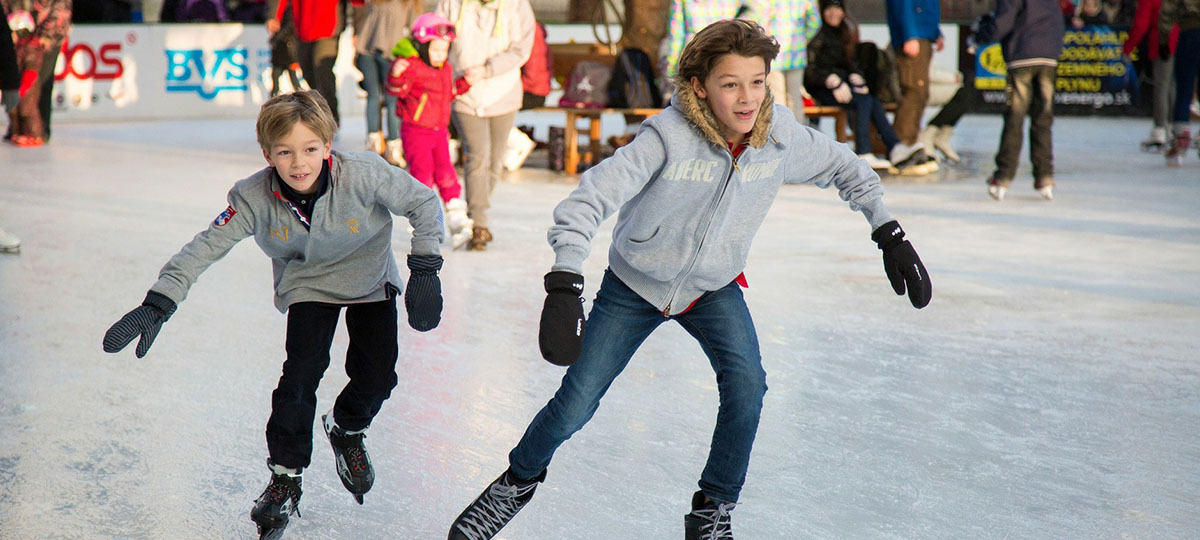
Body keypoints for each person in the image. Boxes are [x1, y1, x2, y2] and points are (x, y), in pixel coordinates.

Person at [446, 19, 932, 540]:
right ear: (700, 86)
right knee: (576, 402)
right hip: (635, 285)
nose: (747, 99)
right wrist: (565, 281)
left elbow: (848, 169)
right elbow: (589, 198)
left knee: (748, 387)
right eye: (730, 84)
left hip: (712, 287)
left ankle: (712, 508)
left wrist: (888, 231)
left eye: (757, 81)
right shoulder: (667, 137)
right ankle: (516, 482)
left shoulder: (780, 137)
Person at [100, 90, 446, 538]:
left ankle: (346, 428)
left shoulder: (364, 173)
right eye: (285, 152)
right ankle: (285, 477)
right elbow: (206, 246)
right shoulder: (252, 197)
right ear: (267, 154)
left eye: (310, 149)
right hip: (307, 286)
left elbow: (423, 202)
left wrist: (425, 264)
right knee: (299, 378)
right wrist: (160, 301)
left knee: (377, 377)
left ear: (327, 144)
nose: (299, 163)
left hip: (370, 279)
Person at [436, 0, 534, 251]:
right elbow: (437, 35)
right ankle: (479, 223)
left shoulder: (517, 6)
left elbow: (522, 48)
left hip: (504, 92)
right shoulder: (451, 3)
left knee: (494, 161)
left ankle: (475, 210)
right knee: (477, 155)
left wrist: (488, 69)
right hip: (464, 92)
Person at [806, 0, 932, 174]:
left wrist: (854, 76)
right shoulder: (816, 34)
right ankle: (864, 150)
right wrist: (830, 80)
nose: (833, 13)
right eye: (829, 9)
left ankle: (895, 147)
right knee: (863, 101)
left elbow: (846, 63)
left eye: (837, 8)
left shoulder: (844, 32)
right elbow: (811, 70)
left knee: (871, 99)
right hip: (821, 88)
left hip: (842, 86)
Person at [386, 12, 474, 248]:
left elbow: (448, 94)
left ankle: (457, 217)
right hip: (416, 131)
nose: (440, 56)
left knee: (446, 173)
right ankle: (425, 222)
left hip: (439, 132)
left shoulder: (445, 69)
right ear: (422, 47)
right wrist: (396, 74)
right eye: (435, 50)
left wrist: (465, 83)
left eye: (444, 51)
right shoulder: (412, 67)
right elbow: (396, 90)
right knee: (422, 175)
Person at [975, 0, 1066, 200]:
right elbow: (1057, 19)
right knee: (1043, 117)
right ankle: (1044, 176)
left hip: (1022, 54)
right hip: (1048, 56)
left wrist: (980, 37)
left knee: (1015, 118)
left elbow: (1003, 21)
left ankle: (1004, 176)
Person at [355, 0, 419, 166]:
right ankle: (380, 145)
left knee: (388, 100)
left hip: (382, 52)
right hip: (374, 52)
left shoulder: (407, 3)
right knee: (380, 98)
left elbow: (414, 29)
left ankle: (389, 145)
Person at [2, 0, 70, 147]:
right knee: (16, 79)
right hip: (19, 35)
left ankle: (39, 131)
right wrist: (10, 31)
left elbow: (60, 10)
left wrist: (44, 36)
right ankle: (17, 129)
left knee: (39, 82)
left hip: (48, 38)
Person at [744, 0, 822, 123]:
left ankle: (780, 138)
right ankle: (797, 137)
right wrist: (803, 39)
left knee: (777, 99)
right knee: (795, 100)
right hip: (796, 52)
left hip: (773, 52)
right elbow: (815, 22)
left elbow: (755, 19)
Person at [268, 0, 345, 125]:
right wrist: (273, 15)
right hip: (303, 27)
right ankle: (320, 111)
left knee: (322, 68)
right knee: (307, 72)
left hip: (328, 27)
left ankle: (330, 116)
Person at [884, 0, 941, 169]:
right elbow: (903, 5)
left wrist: (935, 31)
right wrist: (910, 34)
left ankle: (911, 144)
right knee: (913, 91)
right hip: (913, 35)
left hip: (924, 33)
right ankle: (901, 147)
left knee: (921, 93)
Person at [1123, 0, 1178, 152]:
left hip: (1163, 41)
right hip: (1180, 39)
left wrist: (1128, 47)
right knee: (1172, 85)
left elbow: (1141, 24)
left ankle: (1160, 129)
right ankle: (1174, 126)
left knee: (1162, 86)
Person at [1160, 0, 1200, 166]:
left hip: (1190, 32)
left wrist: (1163, 39)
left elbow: (1168, 10)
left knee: (1184, 89)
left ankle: (1180, 140)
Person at [265, 0, 301, 97]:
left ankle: (303, 102)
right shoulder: (276, 12)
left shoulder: (290, 12)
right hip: (279, 53)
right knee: (275, 81)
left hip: (289, 52)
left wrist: (275, 38)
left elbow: (290, 27)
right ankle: (272, 103)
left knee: (294, 81)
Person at [520, 20, 551, 109]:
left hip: (533, 94)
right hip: (532, 92)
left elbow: (533, 76)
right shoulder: (534, 33)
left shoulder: (532, 36)